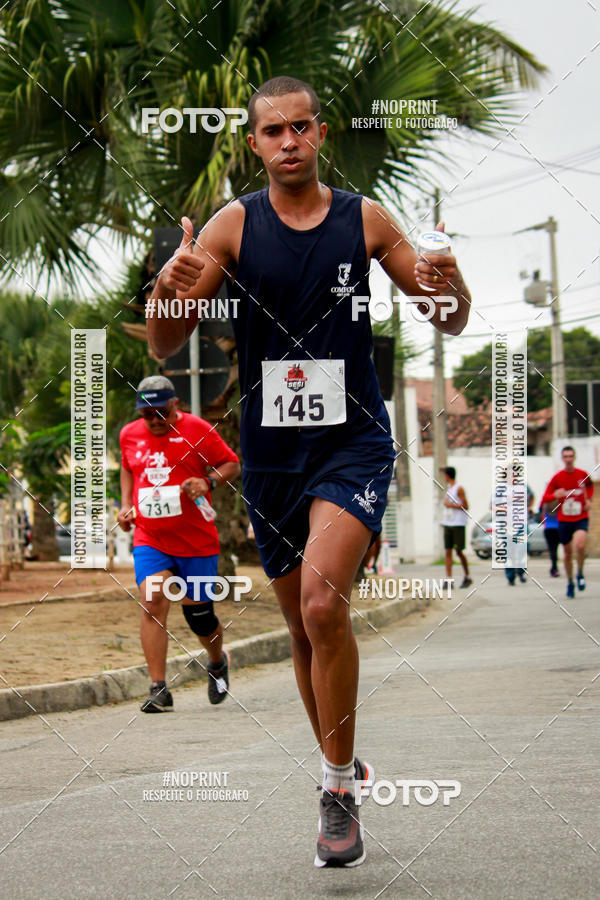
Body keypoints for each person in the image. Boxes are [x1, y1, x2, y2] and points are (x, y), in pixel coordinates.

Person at [146, 75, 471, 867]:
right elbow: (162, 345)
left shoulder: (365, 220)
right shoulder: (230, 227)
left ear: (320, 134)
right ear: (253, 144)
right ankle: (341, 761)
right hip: (271, 455)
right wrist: (168, 290)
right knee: (300, 626)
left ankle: (335, 790)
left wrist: (453, 288)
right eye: (273, 132)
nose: (288, 142)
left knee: (325, 605)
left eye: (301, 128)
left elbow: (445, 313)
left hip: (352, 443)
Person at [118, 375, 240, 711]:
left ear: (175, 405)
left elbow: (231, 463)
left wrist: (208, 481)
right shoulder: (129, 434)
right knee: (153, 599)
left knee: (199, 615)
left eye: (161, 413)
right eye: (147, 415)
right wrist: (126, 503)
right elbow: (128, 467)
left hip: (196, 540)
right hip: (150, 537)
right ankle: (159, 688)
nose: (155, 421)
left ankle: (217, 660)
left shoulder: (198, 428)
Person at [541, 446, 593, 598]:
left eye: (571, 456)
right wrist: (554, 495)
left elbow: (589, 487)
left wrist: (588, 500)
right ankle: (570, 582)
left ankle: (580, 573)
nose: (569, 459)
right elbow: (545, 498)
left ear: (574, 457)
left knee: (580, 545)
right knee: (568, 553)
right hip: (564, 520)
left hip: (581, 517)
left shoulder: (582, 474)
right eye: (566, 457)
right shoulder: (557, 477)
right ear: (562, 459)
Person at [441, 466, 472, 588]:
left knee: (459, 552)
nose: (444, 477)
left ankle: (467, 576)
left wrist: (450, 504)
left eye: (444, 475)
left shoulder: (459, 489)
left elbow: (466, 506)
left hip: (458, 523)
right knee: (448, 551)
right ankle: (449, 580)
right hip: (448, 523)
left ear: (448, 476)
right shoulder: (450, 489)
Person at [540, 500, 560, 577]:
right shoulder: (559, 504)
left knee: (552, 549)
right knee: (556, 548)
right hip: (558, 527)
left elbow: (542, 515)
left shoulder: (545, 504)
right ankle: (554, 567)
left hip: (548, 528)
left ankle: (554, 567)